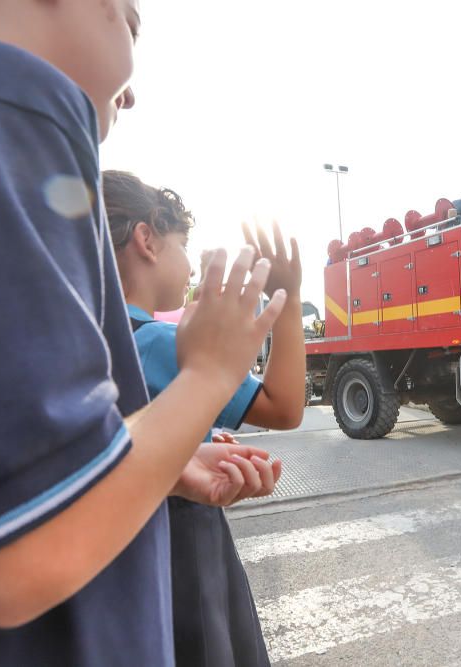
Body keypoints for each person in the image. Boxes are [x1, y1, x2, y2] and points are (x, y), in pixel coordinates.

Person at [0, 2, 285, 665]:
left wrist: (156, 466)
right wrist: (210, 371)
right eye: (130, 23)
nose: (130, 93)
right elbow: (20, 552)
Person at [103, 170, 306, 667]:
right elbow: (284, 406)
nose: (190, 263)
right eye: (182, 243)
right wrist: (288, 297)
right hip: (185, 555)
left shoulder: (93, 333)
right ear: (146, 239)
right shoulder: (153, 342)